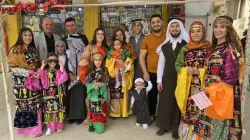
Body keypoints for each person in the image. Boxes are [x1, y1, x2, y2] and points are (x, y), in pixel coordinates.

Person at [193, 15, 243, 140]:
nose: (218, 30)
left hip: (219, 98)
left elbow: (230, 80)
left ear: (228, 30)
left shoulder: (229, 49)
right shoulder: (216, 48)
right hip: (210, 95)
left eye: (222, 27)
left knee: (216, 132)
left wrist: (209, 89)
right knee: (207, 130)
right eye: (215, 26)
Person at [174, 21, 211, 140]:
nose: (195, 34)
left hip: (203, 88)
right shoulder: (185, 48)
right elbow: (177, 66)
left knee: (202, 113)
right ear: (189, 33)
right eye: (193, 31)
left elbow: (213, 69)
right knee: (188, 112)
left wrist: (200, 71)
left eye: (198, 31)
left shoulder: (209, 48)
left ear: (203, 33)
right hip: (188, 88)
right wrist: (186, 70)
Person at [156, 18, 188, 138]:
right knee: (165, 102)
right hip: (167, 78)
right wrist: (159, 80)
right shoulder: (164, 46)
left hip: (181, 78)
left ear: (180, 28)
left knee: (177, 103)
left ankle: (176, 128)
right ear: (169, 29)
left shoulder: (186, 45)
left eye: (177, 26)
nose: (174, 28)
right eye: (172, 26)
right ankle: (163, 126)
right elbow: (161, 64)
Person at [8, 27, 42, 137]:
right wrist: (29, 73)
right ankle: (25, 129)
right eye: (25, 35)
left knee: (34, 104)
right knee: (24, 105)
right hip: (21, 84)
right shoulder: (15, 50)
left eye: (30, 35)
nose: (28, 37)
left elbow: (36, 64)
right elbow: (13, 67)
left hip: (34, 83)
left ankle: (36, 129)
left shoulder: (32, 49)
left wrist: (37, 73)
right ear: (21, 36)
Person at [78, 27, 108, 125]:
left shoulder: (105, 49)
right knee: (89, 97)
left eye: (102, 34)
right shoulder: (90, 46)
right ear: (95, 35)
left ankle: (100, 115)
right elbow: (84, 59)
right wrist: (84, 64)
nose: (100, 36)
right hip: (92, 72)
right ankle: (89, 115)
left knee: (102, 96)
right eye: (98, 34)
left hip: (102, 73)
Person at [62, 17, 89, 125]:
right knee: (71, 93)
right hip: (71, 71)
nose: (71, 27)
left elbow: (88, 52)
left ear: (76, 25)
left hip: (82, 70)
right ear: (66, 27)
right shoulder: (64, 40)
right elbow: (64, 57)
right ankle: (71, 115)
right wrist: (69, 72)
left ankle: (81, 116)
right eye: (68, 26)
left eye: (72, 25)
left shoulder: (83, 37)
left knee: (81, 92)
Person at [139, 14, 166, 122]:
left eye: (158, 21)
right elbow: (142, 56)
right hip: (151, 72)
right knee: (152, 96)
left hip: (166, 73)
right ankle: (152, 114)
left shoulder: (168, 36)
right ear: (150, 25)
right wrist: (145, 72)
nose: (156, 24)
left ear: (162, 22)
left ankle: (163, 117)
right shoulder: (147, 38)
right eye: (153, 22)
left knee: (165, 97)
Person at [37, 53, 68, 136]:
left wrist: (61, 65)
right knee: (49, 110)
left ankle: (59, 126)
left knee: (58, 109)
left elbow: (64, 76)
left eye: (54, 61)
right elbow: (39, 75)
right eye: (50, 61)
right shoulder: (45, 71)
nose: (52, 63)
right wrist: (42, 66)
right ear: (47, 61)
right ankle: (49, 127)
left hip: (57, 93)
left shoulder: (58, 70)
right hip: (47, 94)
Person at [109, 29, 136, 119]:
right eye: (117, 35)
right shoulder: (112, 49)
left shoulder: (128, 47)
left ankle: (124, 112)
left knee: (124, 94)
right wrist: (115, 61)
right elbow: (108, 61)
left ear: (124, 36)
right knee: (116, 94)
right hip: (115, 72)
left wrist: (125, 64)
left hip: (125, 73)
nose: (119, 37)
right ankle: (115, 113)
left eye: (121, 35)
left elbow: (132, 59)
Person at [86, 52, 109, 134]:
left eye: (99, 60)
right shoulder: (90, 71)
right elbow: (87, 83)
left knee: (100, 110)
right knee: (91, 109)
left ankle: (99, 124)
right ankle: (91, 123)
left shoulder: (105, 70)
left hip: (101, 94)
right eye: (96, 60)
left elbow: (107, 82)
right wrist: (92, 86)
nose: (98, 62)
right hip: (93, 94)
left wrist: (101, 84)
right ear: (93, 61)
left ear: (102, 61)